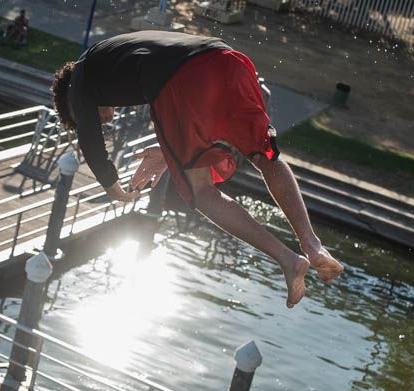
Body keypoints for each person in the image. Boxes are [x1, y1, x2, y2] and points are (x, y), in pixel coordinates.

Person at [52, 30, 343, 307]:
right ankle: (312, 244)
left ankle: (289, 261)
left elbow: (90, 140)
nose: (105, 120)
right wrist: (169, 152)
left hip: (182, 80)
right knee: (267, 158)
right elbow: (181, 94)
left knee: (200, 192)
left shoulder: (79, 79)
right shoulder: (108, 55)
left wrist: (113, 187)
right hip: (226, 60)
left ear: (71, 100)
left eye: (93, 117)